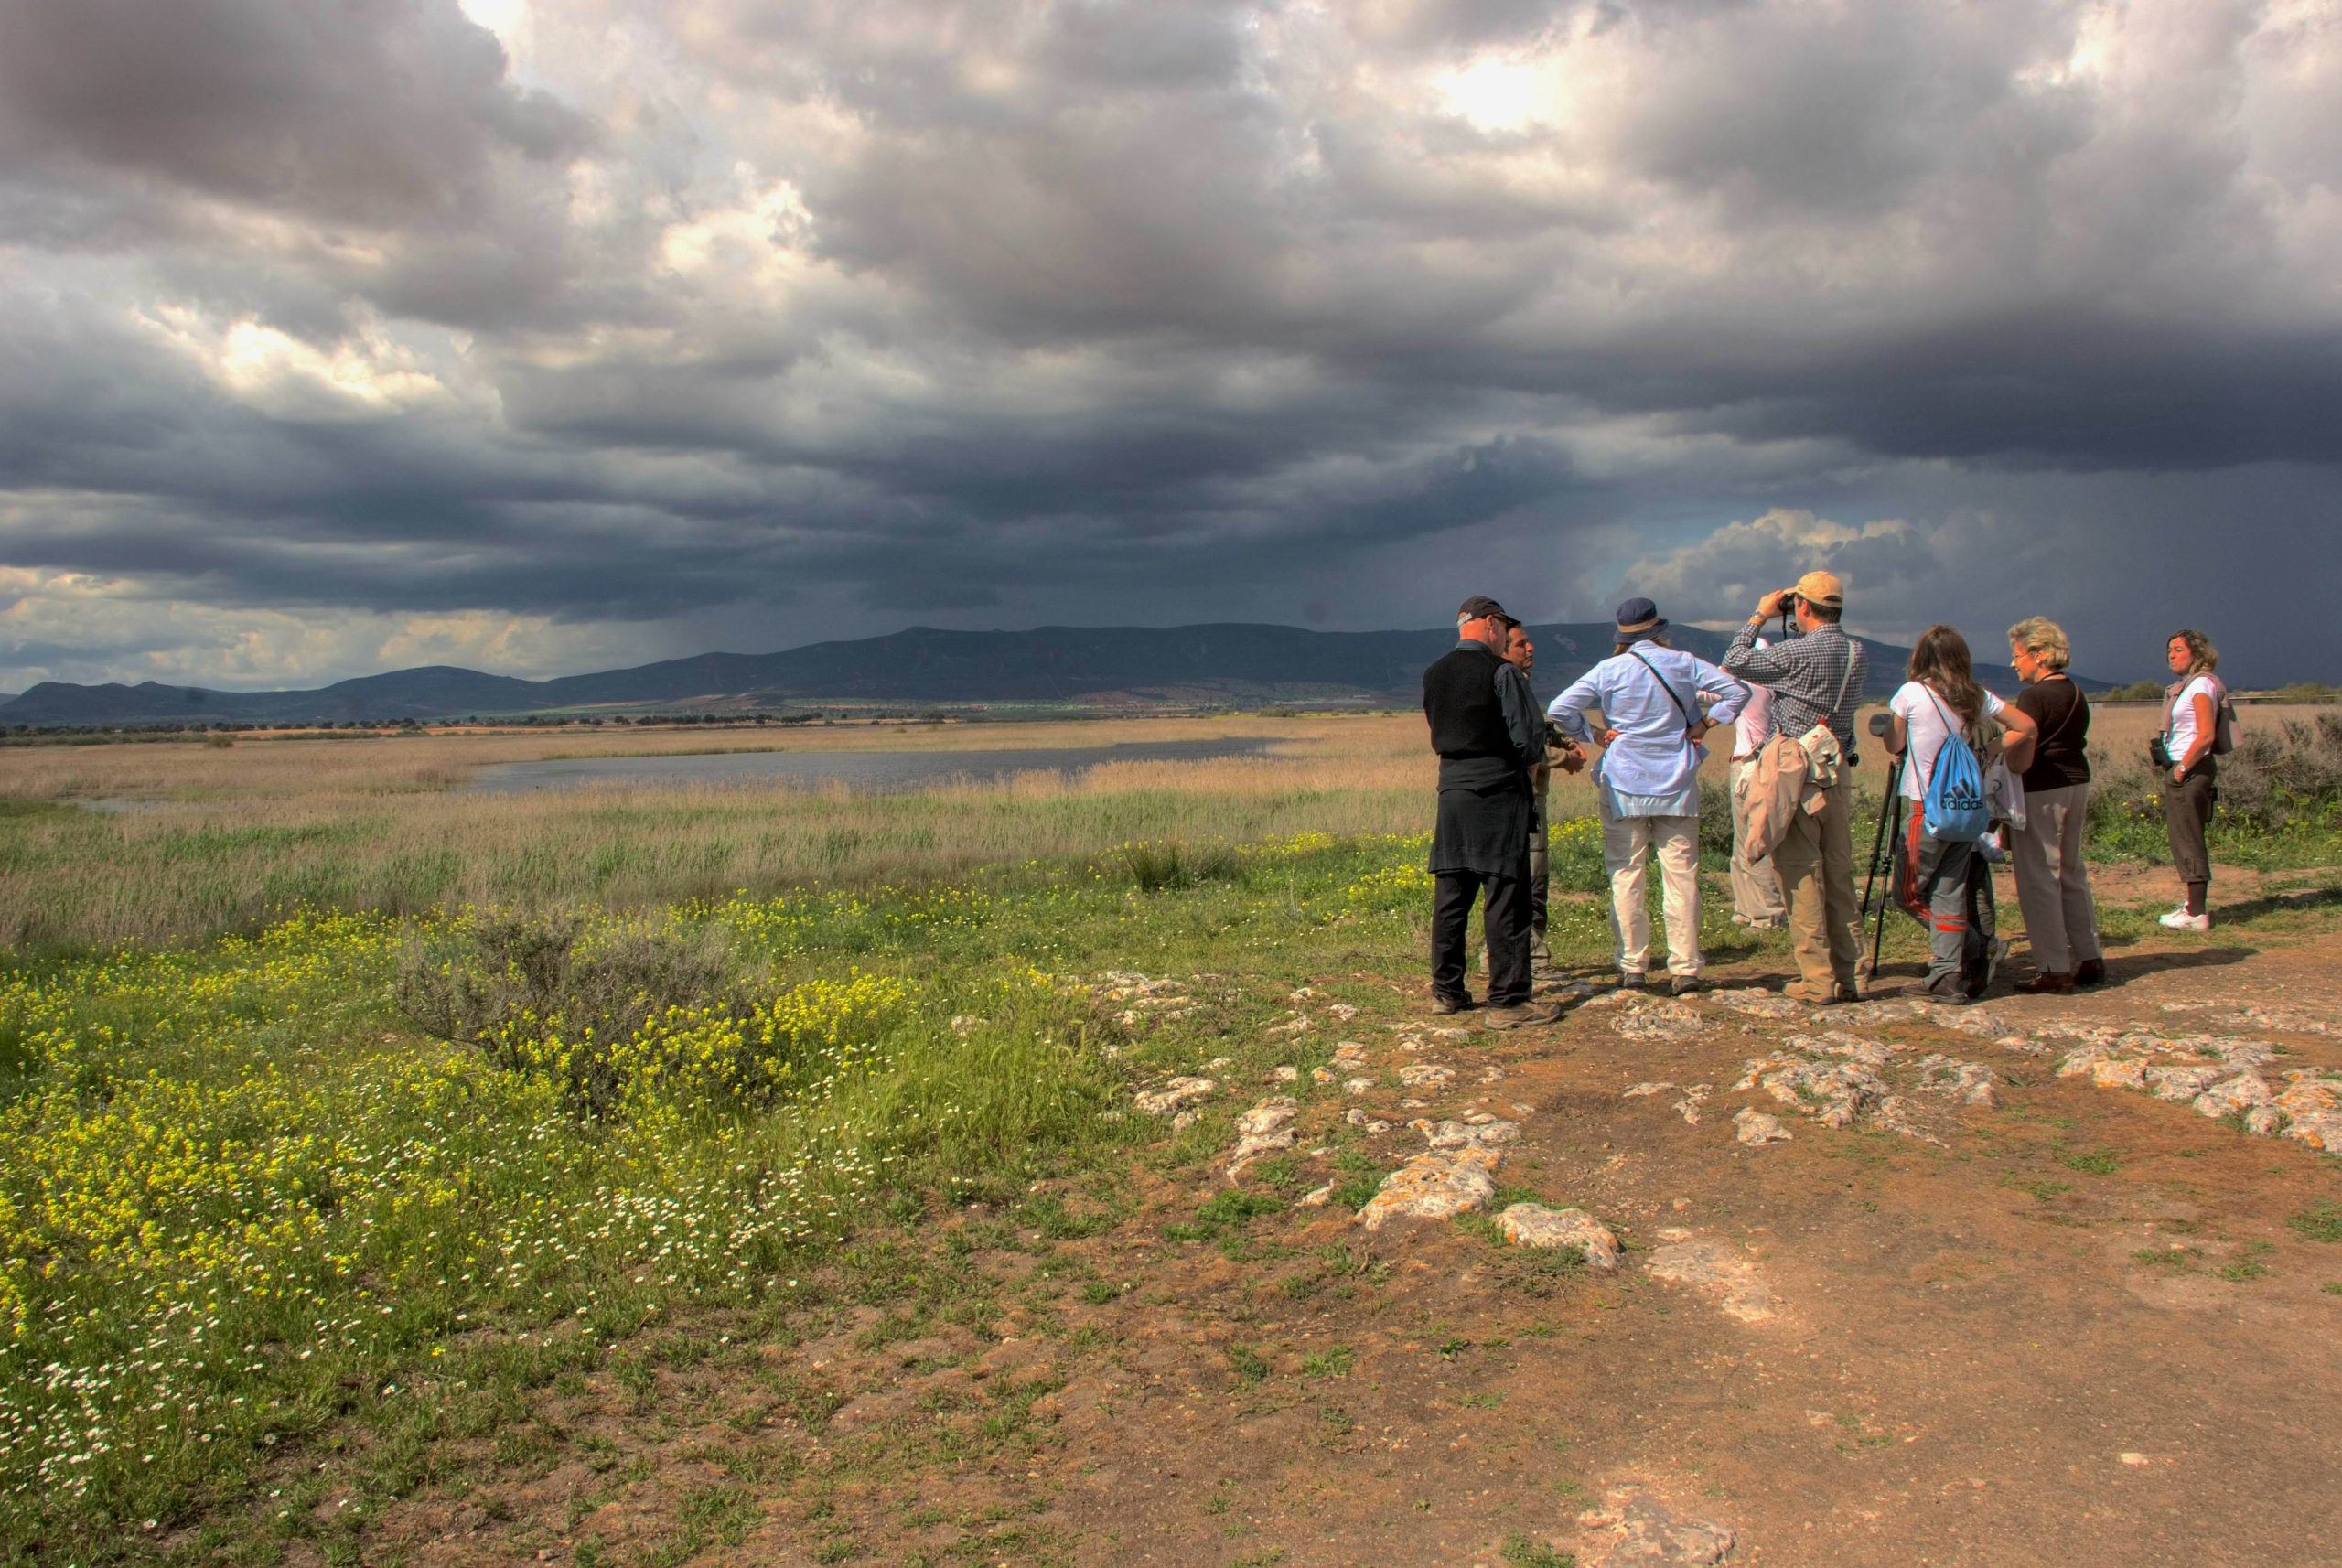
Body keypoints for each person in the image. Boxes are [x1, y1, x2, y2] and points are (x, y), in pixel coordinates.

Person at [1547, 598, 1747, 995]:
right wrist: (1705, 724)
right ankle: (1686, 967)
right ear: (1658, 630)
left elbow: (1559, 708)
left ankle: (1633, 966)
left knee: (1626, 873)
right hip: (1676, 781)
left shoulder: (1610, 670)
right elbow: (1737, 692)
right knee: (1682, 874)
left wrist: (1593, 734)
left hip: (1624, 781)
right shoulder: (1684, 663)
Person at [1723, 571, 1869, 1004]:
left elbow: (1735, 660)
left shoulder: (1796, 653)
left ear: (1802, 606)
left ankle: (1818, 978)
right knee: (1839, 874)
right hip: (1836, 770)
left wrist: (1759, 615)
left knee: (1801, 875)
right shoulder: (1856, 652)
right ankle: (1854, 973)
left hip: (1796, 776)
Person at [1423, 596, 1563, 1029]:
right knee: (1506, 895)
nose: (1505, 636)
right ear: (1489, 623)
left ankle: (1447, 992)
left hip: (1452, 791)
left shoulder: (1434, 673)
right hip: (1499, 792)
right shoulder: (1503, 671)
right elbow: (1529, 740)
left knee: (1452, 895)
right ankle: (1508, 1000)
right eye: (1503, 627)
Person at [1884, 626, 2038, 1001]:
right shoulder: (1976, 696)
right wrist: (1988, 750)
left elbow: (1894, 743)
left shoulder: (1910, 693)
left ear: (1921, 658)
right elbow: (2027, 726)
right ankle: (1947, 974)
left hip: (1927, 808)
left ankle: (1974, 948)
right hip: (1966, 810)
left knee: (1907, 893)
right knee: (1948, 892)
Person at [2004, 618, 2106, 993]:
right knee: (2071, 870)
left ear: (2040, 654)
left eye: (2018, 656)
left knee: (2039, 878)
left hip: (2042, 788)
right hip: (2076, 781)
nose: (2015, 664)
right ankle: (2089, 954)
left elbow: (2022, 741)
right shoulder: (2075, 692)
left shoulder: (2034, 697)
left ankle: (2052, 966)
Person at [1494, 621, 1585, 983]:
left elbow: (1535, 729)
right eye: (1520, 643)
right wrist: (1565, 760)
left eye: (1529, 642)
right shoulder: (1505, 684)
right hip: (1524, 796)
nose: (1530, 649)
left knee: (1522, 876)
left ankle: (1505, 953)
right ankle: (1533, 957)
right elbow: (1519, 745)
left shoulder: (1518, 684)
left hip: (1529, 794)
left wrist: (1561, 740)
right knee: (1531, 876)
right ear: (1503, 649)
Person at [2157, 629, 2223, 931]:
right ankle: (2193, 906)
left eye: (2179, 649)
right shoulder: (2190, 685)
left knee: (2188, 839)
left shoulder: (2201, 686)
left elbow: (2206, 734)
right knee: (2184, 837)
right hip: (2187, 769)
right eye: (2169, 649)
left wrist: (2181, 769)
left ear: (2196, 653)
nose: (2171, 654)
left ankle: (2197, 913)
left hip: (2191, 771)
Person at [1727, 634, 1787, 929]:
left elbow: (1714, 685)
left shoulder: (1744, 683)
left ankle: (1764, 913)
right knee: (1760, 837)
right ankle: (1749, 909)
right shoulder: (1779, 684)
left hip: (1748, 763)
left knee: (1748, 841)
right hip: (1775, 762)